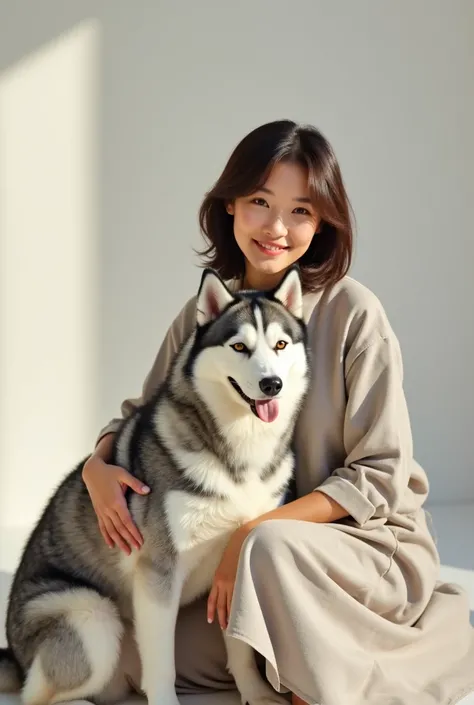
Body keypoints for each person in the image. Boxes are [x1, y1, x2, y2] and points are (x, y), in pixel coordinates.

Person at [82, 120, 474, 705]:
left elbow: (382, 473)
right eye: (261, 202)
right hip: (253, 562)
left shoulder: (354, 313)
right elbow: (143, 412)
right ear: (231, 206)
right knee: (126, 653)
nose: (276, 227)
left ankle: (354, 667)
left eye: (300, 210)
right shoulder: (210, 315)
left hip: (359, 548)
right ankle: (295, 662)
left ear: (323, 224)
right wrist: (97, 465)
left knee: (271, 555)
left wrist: (252, 533)